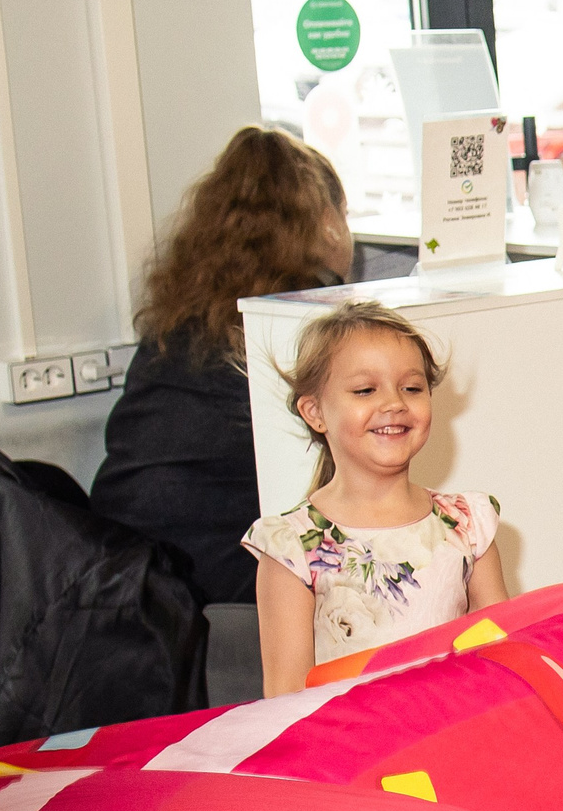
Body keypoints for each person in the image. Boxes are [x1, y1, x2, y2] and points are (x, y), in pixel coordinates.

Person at [93, 127, 355, 605]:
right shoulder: (299, 329)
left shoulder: (176, 324)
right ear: (327, 223)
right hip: (211, 585)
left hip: (118, 566)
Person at [241, 303, 505, 695]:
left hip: (455, 741)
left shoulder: (468, 525)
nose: (394, 403)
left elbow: (504, 656)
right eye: (365, 390)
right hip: (352, 751)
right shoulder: (290, 547)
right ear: (315, 412)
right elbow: (285, 699)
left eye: (411, 388)